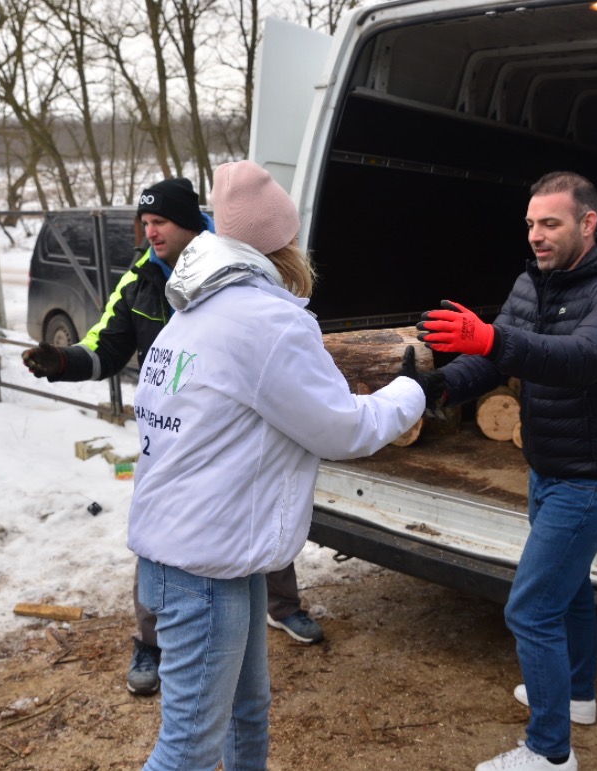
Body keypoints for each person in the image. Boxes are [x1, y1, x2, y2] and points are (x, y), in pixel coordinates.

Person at [128, 159, 424, 770]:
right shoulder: (267, 322)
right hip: (206, 565)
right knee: (186, 749)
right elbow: (342, 428)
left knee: (245, 713)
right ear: (283, 241)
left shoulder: (193, 310)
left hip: (183, 551)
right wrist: (411, 390)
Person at [20, 178, 325, 700]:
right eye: (145, 222)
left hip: (236, 428)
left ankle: (283, 608)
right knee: (160, 533)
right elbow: (106, 346)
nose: (149, 231)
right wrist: (64, 362)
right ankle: (150, 642)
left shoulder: (237, 269)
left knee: (259, 506)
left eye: (159, 222)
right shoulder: (140, 279)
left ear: (190, 223)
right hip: (172, 439)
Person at [416, 172, 597, 771]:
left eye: (551, 224)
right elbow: (496, 359)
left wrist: (492, 338)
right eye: (530, 223)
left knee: (530, 609)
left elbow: (586, 358)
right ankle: (576, 695)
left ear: (587, 224)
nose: (537, 236)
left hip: (592, 477)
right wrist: (440, 387)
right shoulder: (534, 280)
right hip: (547, 464)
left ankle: (549, 754)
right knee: (567, 590)